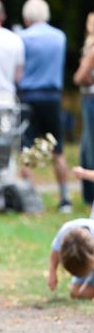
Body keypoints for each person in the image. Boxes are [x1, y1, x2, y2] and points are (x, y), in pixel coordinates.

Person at [17, 0, 71, 212]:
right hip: (52, 97)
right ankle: (65, 198)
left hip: (28, 96)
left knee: (27, 147)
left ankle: (30, 199)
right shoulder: (59, 37)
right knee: (57, 150)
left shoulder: (21, 37)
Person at [74, 13, 94, 209]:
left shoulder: (93, 49)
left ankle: (90, 196)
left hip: (91, 98)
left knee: (89, 147)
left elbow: (80, 76)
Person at [47, 217, 94, 300]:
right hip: (83, 258)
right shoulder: (65, 231)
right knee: (75, 293)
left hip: (88, 258)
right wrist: (52, 273)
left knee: (85, 294)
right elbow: (55, 252)